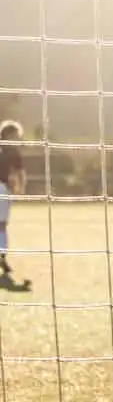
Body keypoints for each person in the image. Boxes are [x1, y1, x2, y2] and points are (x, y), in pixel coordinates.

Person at [0, 121, 27, 286]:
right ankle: (2, 258)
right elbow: (20, 172)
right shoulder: (12, 151)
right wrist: (21, 188)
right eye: (16, 136)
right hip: (2, 189)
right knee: (1, 225)